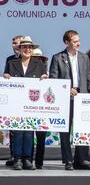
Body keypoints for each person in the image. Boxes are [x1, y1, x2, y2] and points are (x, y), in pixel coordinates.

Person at [49, 30, 90, 170]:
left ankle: (82, 160)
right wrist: (66, 89)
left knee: (83, 128)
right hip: (66, 97)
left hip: (83, 97)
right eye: (75, 41)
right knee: (65, 130)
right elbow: (53, 80)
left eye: (79, 40)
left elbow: (89, 78)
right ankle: (68, 160)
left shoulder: (84, 57)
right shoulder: (57, 57)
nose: (78, 43)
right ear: (66, 43)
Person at [3, 36, 48, 170]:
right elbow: (6, 80)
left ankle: (27, 159)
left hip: (32, 105)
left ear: (32, 49)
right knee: (17, 131)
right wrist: (6, 77)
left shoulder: (39, 64)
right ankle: (17, 159)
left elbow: (44, 82)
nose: (27, 49)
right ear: (20, 49)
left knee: (29, 131)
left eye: (29, 47)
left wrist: (44, 77)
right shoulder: (12, 63)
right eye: (24, 47)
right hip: (16, 104)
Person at [3, 35, 22, 167]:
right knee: (13, 129)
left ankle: (23, 157)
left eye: (16, 43)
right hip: (14, 98)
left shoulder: (31, 59)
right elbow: (5, 74)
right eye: (13, 43)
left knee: (25, 131)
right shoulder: (9, 59)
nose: (14, 45)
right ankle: (13, 156)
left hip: (27, 99)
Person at [30, 48, 49, 170]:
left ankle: (39, 162)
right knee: (28, 137)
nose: (38, 60)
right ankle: (28, 159)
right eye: (36, 58)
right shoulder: (27, 72)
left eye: (40, 58)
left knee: (41, 138)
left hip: (42, 110)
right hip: (30, 109)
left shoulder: (47, 75)